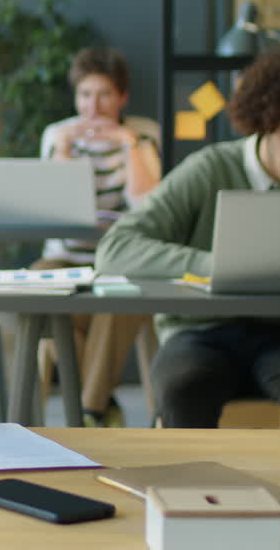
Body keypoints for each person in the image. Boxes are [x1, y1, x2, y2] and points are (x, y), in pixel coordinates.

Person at [96, 44, 280, 429]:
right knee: (182, 386)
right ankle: (185, 490)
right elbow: (115, 249)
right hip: (199, 333)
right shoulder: (210, 169)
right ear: (266, 120)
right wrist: (215, 265)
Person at [34, 47, 161, 427]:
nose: (94, 105)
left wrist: (128, 145)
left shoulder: (143, 134)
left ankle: (87, 410)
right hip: (65, 255)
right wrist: (64, 148)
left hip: (119, 259)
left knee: (121, 297)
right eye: (86, 95)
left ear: (122, 97)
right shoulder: (58, 134)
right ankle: (100, 404)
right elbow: (52, 204)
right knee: (41, 287)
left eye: (104, 94)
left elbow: (147, 203)